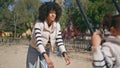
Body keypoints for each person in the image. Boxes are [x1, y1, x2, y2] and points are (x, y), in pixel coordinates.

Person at [26, 2, 70, 68]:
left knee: (44, 66)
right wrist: (46, 57)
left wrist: (64, 53)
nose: (53, 15)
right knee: (31, 66)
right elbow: (39, 42)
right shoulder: (38, 24)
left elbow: (60, 41)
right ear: (46, 13)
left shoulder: (57, 25)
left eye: (55, 13)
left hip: (46, 48)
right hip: (34, 47)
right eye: (51, 13)